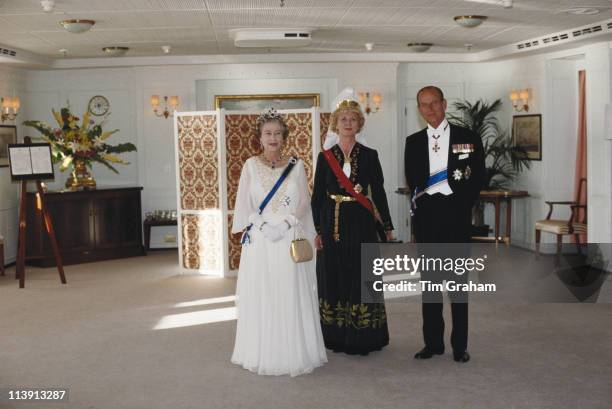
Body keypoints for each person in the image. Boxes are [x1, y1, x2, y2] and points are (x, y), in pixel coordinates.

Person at [231, 108, 327, 376]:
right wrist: (262, 224)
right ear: (259, 138)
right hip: (261, 240)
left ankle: (292, 352)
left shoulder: (297, 165)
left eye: (277, 133)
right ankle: (262, 350)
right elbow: (244, 204)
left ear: (284, 136)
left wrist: (286, 222)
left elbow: (305, 202)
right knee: (264, 292)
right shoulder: (250, 165)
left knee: (288, 292)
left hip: (288, 236)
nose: (273, 138)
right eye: (267, 133)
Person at [404, 86, 485, 363]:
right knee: (430, 286)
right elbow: (413, 182)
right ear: (419, 109)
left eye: (434, 103)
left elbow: (477, 178)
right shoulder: (413, 142)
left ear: (444, 103)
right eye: (424, 105)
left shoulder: (468, 138)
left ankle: (459, 346)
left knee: (458, 287)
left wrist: (461, 204)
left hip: (456, 218)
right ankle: (433, 344)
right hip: (428, 220)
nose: (430, 109)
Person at [312, 88, 394, 355]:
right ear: (335, 124)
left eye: (353, 119)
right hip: (331, 223)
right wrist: (317, 229)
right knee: (334, 276)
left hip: (361, 223)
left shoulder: (370, 155)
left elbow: (378, 191)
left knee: (362, 276)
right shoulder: (324, 158)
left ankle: (364, 337)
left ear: (360, 123)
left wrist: (388, 226)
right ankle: (335, 336)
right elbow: (317, 197)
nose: (348, 123)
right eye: (343, 119)